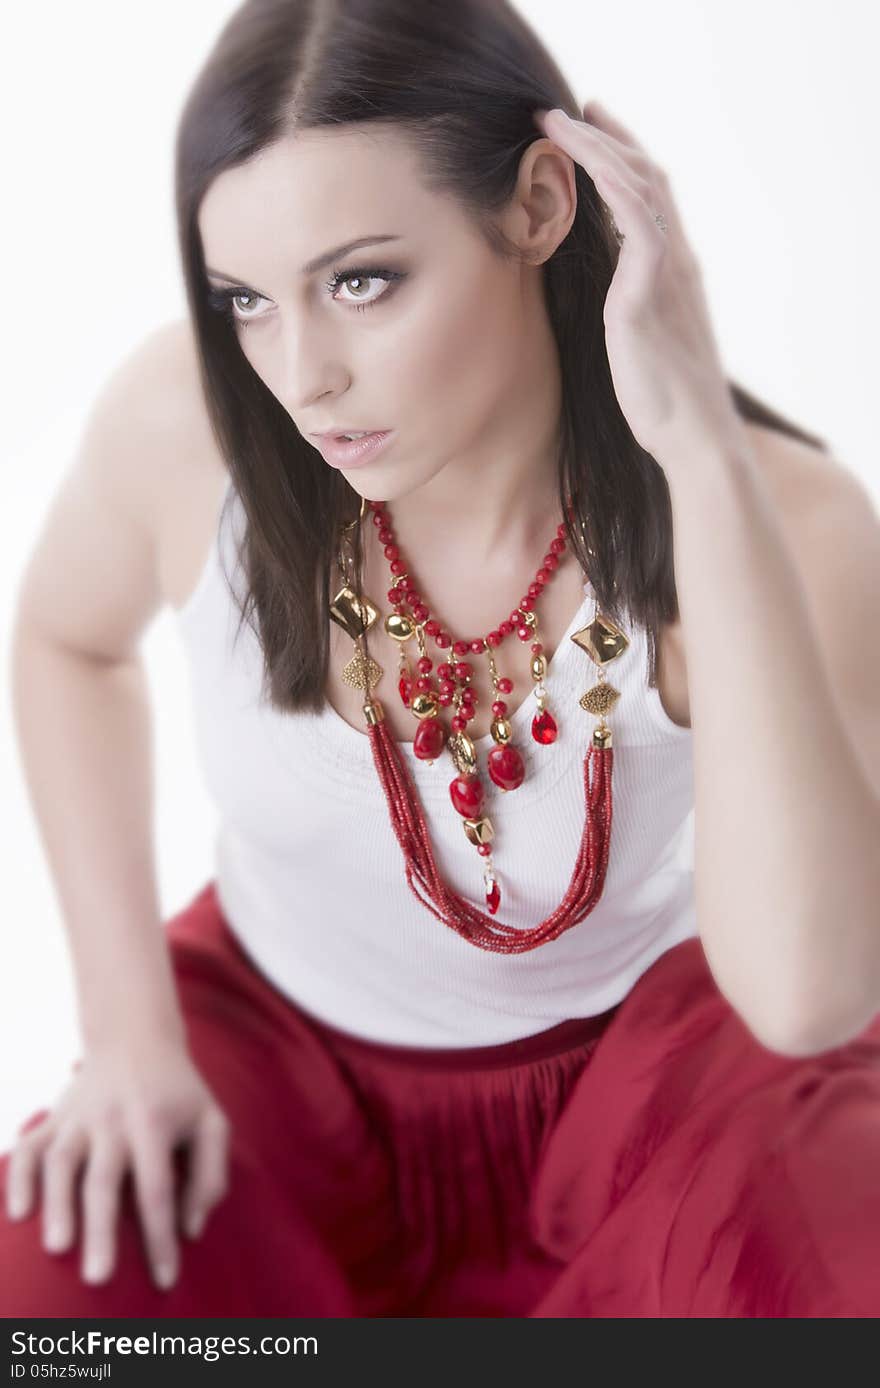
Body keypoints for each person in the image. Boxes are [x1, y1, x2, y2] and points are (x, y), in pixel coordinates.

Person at [3, 0, 880, 1319]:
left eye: (361, 281)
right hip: (277, 1079)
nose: (303, 376)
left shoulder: (784, 520)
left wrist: (701, 451)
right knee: (49, 1278)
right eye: (248, 300)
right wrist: (129, 1033)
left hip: (660, 1091)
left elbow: (812, 1000)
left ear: (539, 205)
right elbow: (66, 642)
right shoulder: (190, 423)